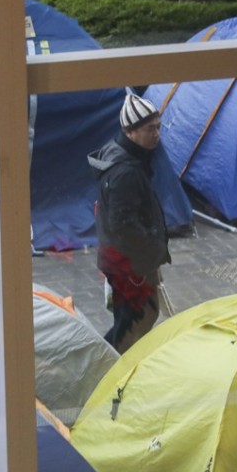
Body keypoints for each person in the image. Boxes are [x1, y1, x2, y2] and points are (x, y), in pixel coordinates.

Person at [88, 92, 171, 353]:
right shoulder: (125, 171)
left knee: (139, 317)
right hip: (129, 267)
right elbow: (123, 225)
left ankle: (109, 366)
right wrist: (151, 249)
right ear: (130, 131)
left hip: (127, 263)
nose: (157, 134)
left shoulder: (131, 158)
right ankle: (108, 372)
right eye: (149, 129)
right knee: (133, 325)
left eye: (158, 127)